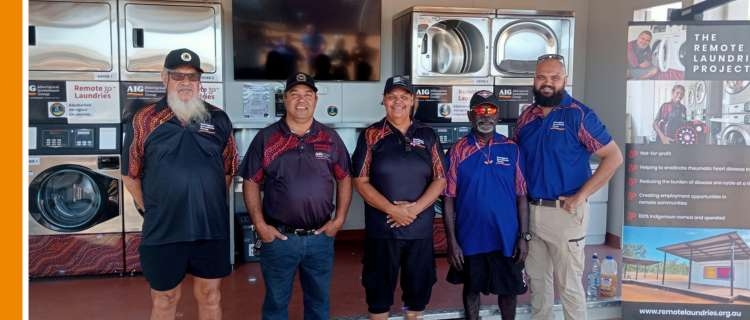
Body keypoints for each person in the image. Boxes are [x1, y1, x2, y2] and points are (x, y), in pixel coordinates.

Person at [122, 48, 238, 320]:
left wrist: (207, 202)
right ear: (164, 78)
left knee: (210, 295)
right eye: (177, 76)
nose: (185, 82)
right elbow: (130, 173)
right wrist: (151, 208)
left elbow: (228, 169)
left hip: (210, 227)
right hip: (164, 228)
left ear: (200, 82)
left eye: (193, 77)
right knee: (165, 298)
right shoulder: (144, 119)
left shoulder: (218, 118)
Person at [514, 54, 623, 320]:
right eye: (542, 77)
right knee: (538, 284)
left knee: (570, 287)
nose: (547, 83)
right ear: (534, 80)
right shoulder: (526, 117)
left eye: (554, 77)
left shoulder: (580, 115)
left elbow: (614, 157)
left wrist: (581, 196)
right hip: (531, 212)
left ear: (565, 80)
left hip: (565, 213)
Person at [240, 72, 352, 320]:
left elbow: (345, 177)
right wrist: (260, 226)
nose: (302, 100)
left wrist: (339, 220)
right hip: (279, 239)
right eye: (295, 94)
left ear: (316, 99)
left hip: (320, 238)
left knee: (318, 304)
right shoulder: (267, 138)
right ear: (285, 99)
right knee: (276, 305)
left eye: (307, 94)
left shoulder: (329, 138)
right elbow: (250, 181)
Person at [351, 75, 447, 320]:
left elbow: (440, 179)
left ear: (413, 101)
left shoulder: (427, 135)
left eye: (404, 97)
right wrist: (391, 210)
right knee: (378, 294)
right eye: (392, 97)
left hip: (419, 230)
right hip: (383, 231)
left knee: (417, 293)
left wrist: (413, 210)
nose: (398, 102)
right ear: (383, 100)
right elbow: (360, 181)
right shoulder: (371, 135)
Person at [443, 90, 530, 320]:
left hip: (507, 238)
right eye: (480, 110)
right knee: (471, 289)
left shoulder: (512, 149)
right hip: (470, 238)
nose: (485, 116)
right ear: (471, 116)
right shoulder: (457, 151)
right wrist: (452, 241)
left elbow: (522, 195)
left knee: (509, 292)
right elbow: (448, 198)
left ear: (498, 115)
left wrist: (524, 236)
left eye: (490, 110)